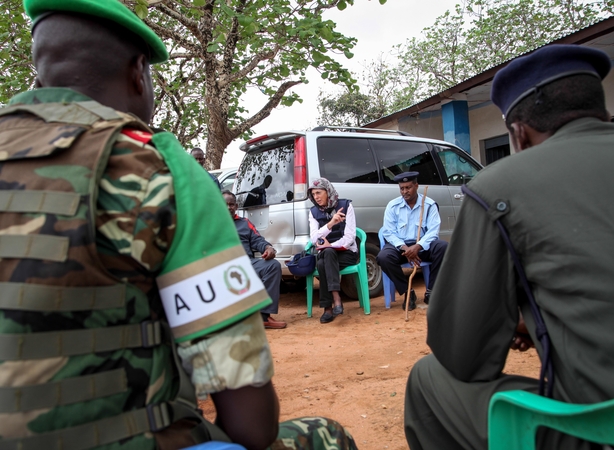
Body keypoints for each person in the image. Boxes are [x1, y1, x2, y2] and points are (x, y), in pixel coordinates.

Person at [0, 1, 357, 449]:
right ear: (137, 73)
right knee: (327, 437)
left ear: (38, 73)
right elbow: (251, 422)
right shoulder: (158, 167)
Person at [404, 44, 614, 450]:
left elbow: (462, 353)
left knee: (429, 379)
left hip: (598, 430)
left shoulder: (499, 185)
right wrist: (538, 321)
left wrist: (514, 319)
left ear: (517, 133)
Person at [376, 172, 448, 310]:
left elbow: (433, 231)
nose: (405, 191)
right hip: (401, 247)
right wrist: (405, 248)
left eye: (408, 187)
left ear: (416, 186)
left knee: (443, 247)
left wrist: (418, 246)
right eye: (402, 188)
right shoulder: (392, 206)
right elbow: (389, 232)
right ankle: (408, 292)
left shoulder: (429, 205)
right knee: (383, 257)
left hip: (423, 246)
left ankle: (431, 291)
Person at [222, 191, 287, 329]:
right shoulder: (211, 225)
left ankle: (263, 316)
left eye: (231, 204)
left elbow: (258, 240)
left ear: (236, 206)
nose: (228, 207)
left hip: (246, 263)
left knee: (272, 265)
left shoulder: (244, 223)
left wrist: (268, 248)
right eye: (225, 204)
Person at [307, 178, 358, 324]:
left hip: (346, 253)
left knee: (324, 262)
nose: (316, 197)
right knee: (327, 255)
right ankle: (336, 300)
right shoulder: (313, 212)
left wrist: (331, 246)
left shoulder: (346, 206)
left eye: (319, 192)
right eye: (313, 194)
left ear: (328, 191)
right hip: (327, 254)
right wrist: (330, 224)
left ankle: (328, 308)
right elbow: (313, 239)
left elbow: (350, 237)